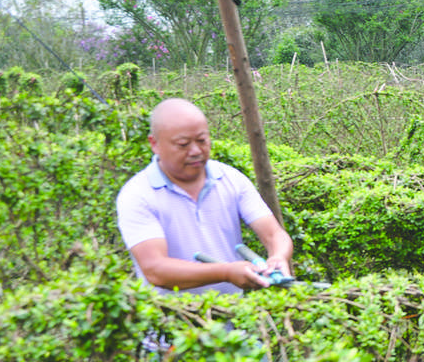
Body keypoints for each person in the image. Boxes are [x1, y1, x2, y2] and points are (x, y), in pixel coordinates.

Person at [116, 98, 294, 296]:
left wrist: (278, 256)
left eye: (202, 140)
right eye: (183, 144)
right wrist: (226, 272)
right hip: (170, 321)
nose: (195, 151)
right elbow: (156, 270)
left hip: (235, 319)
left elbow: (274, 234)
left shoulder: (230, 178)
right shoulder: (137, 195)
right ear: (154, 144)